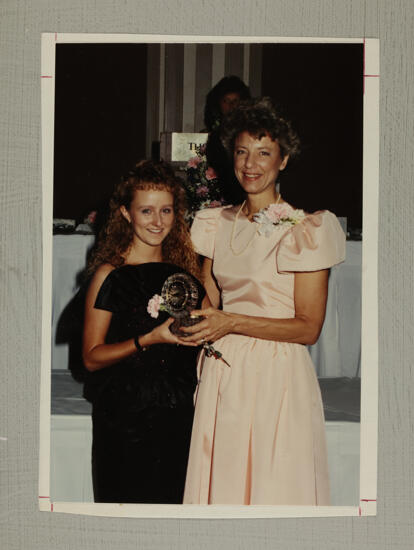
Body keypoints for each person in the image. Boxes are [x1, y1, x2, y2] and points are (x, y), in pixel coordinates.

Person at [182, 97, 346, 505]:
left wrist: (231, 323)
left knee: (273, 487)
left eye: (263, 153)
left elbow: (308, 328)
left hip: (277, 373)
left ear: (283, 160)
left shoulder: (305, 229)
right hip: (224, 369)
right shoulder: (214, 224)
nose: (250, 164)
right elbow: (209, 304)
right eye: (241, 152)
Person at [82, 160, 205, 504]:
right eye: (146, 211)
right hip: (125, 414)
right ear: (125, 213)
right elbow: (91, 358)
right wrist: (148, 340)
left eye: (166, 210)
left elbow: (207, 329)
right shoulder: (110, 274)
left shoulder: (185, 272)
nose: (158, 221)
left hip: (179, 411)